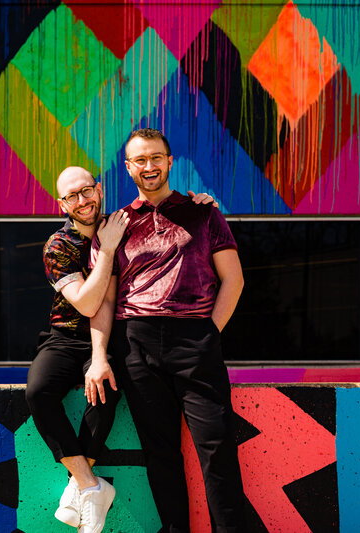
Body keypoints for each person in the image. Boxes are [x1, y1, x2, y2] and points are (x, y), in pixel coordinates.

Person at [26, 165, 216, 533]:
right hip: (66, 335)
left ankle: (77, 487)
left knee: (107, 391)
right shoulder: (58, 245)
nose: (82, 201)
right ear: (61, 204)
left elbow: (166, 217)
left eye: (87, 191)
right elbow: (85, 302)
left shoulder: (125, 223)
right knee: (38, 391)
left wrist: (200, 203)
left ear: (99, 189)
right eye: (72, 196)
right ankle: (88, 484)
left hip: (115, 334)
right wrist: (108, 248)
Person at [87, 128, 247, 532]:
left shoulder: (203, 212)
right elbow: (103, 300)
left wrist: (209, 333)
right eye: (139, 160)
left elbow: (234, 279)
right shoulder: (114, 225)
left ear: (170, 161)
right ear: (128, 168)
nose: (149, 166)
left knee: (217, 448)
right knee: (160, 454)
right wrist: (100, 356)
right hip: (135, 343)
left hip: (195, 338)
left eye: (156, 157)